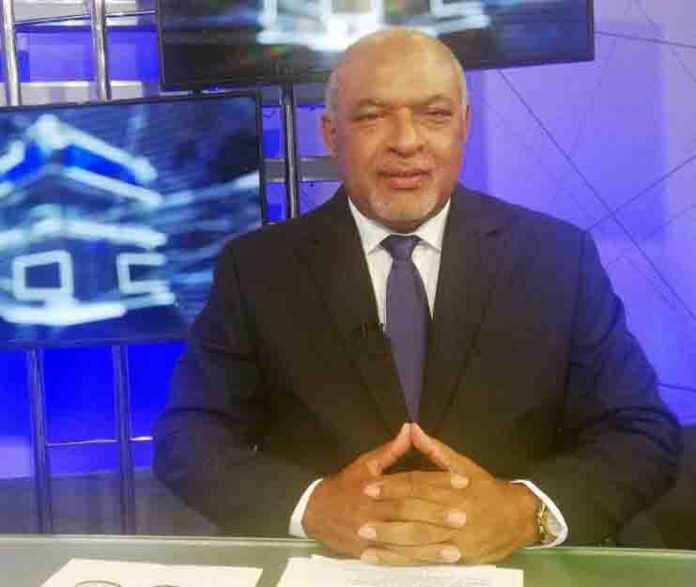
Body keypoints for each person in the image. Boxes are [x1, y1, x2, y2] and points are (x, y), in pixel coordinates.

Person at [153, 28, 682, 565]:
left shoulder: (557, 257)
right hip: (333, 569)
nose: (406, 141)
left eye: (434, 115)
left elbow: (641, 434)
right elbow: (188, 438)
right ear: (331, 135)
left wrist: (525, 512)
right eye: (372, 116)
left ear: (464, 126)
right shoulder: (257, 268)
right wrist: (313, 507)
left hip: (512, 568)